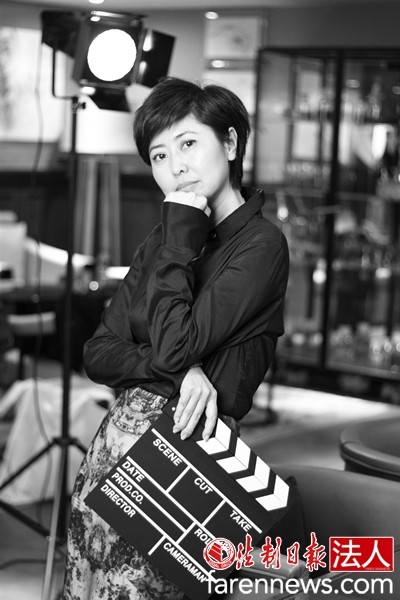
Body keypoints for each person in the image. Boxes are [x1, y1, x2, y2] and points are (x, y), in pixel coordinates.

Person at [63, 76, 289, 600]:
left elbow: (174, 345)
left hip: (185, 464)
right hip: (110, 457)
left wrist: (181, 235)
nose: (176, 166)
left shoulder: (261, 245)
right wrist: (184, 371)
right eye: (160, 156)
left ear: (230, 143)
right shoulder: (163, 239)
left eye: (188, 144)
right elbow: (98, 353)